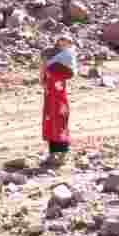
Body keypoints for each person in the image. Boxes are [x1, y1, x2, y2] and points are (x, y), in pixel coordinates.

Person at [41, 33, 77, 164]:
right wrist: (43, 81)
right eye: (62, 40)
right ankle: (52, 154)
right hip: (50, 93)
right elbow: (44, 69)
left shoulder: (68, 56)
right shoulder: (50, 53)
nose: (64, 43)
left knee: (60, 120)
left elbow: (70, 72)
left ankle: (62, 156)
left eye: (67, 41)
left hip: (59, 94)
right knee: (50, 121)